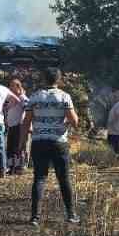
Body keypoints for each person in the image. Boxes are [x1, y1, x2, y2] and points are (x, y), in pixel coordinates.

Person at [23, 68, 80, 225]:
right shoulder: (64, 96)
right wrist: (66, 123)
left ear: (43, 79)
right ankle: (71, 214)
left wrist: (22, 143)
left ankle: (35, 217)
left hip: (39, 141)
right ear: (59, 79)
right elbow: (75, 122)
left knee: (39, 178)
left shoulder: (34, 97)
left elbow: (26, 122)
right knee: (63, 179)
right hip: (58, 142)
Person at [4, 77, 30, 174]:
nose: (10, 87)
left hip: (19, 125)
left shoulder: (22, 97)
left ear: (18, 86)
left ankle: (19, 167)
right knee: (10, 147)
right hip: (11, 126)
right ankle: (11, 167)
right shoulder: (10, 97)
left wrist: (24, 122)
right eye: (9, 85)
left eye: (12, 85)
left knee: (18, 147)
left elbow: (28, 108)